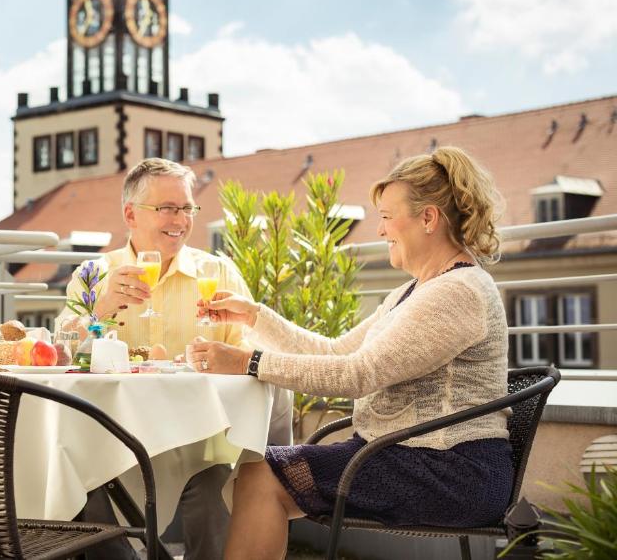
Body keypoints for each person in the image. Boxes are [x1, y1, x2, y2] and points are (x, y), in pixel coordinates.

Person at [186, 147, 512, 560]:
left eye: (387, 216)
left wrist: (248, 362)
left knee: (262, 475)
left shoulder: (457, 292)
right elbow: (337, 351)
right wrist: (254, 317)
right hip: (408, 454)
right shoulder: (415, 291)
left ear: (428, 218)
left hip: (450, 469)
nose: (380, 229)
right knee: (258, 472)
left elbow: (358, 374)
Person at [57, 157, 292, 560]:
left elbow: (253, 354)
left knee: (216, 484)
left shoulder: (217, 272)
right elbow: (61, 351)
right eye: (166, 208)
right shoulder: (95, 274)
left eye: (186, 208)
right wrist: (101, 309)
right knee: (87, 484)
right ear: (131, 214)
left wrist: (228, 357)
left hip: (202, 438)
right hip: (118, 438)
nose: (180, 220)